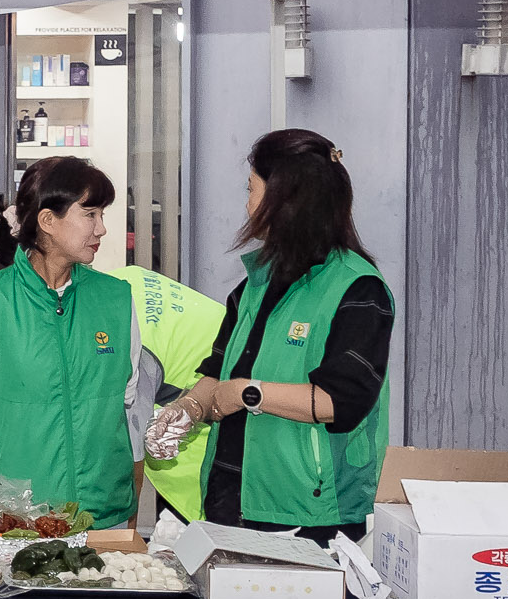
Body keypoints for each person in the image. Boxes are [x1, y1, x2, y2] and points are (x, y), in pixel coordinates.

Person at [146, 130, 394, 542]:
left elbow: (341, 401)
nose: (246, 204)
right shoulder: (253, 285)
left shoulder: (358, 289)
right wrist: (187, 409)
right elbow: (218, 373)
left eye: (252, 189)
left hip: (311, 514)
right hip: (230, 499)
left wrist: (249, 393)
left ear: (285, 198)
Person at [0, 156, 144, 528]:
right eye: (90, 214)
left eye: (102, 215)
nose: (102, 229)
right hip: (14, 520)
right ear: (48, 221)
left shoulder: (117, 300)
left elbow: (125, 406)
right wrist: (2, 458)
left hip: (100, 515)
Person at [118, 265, 226, 524]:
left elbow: (129, 464)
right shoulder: (117, 284)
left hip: (208, 452)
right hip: (204, 407)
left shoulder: (125, 339)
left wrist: (119, 550)